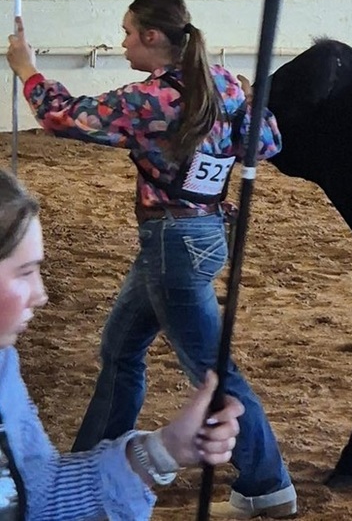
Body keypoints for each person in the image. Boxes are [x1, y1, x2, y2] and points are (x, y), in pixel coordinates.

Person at [8, 0, 297, 519]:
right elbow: (268, 144)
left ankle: (266, 482)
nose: (121, 43)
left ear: (152, 37)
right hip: (203, 231)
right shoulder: (226, 83)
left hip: (172, 242)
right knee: (121, 349)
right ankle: (92, 460)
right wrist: (253, 99)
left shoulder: (150, 100)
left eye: (126, 33)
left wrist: (26, 67)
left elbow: (64, 116)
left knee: (212, 370)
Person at [0, 167, 244, 520]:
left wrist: (165, 449)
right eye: (24, 273)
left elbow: (41, 492)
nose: (41, 294)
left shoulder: (3, 364)